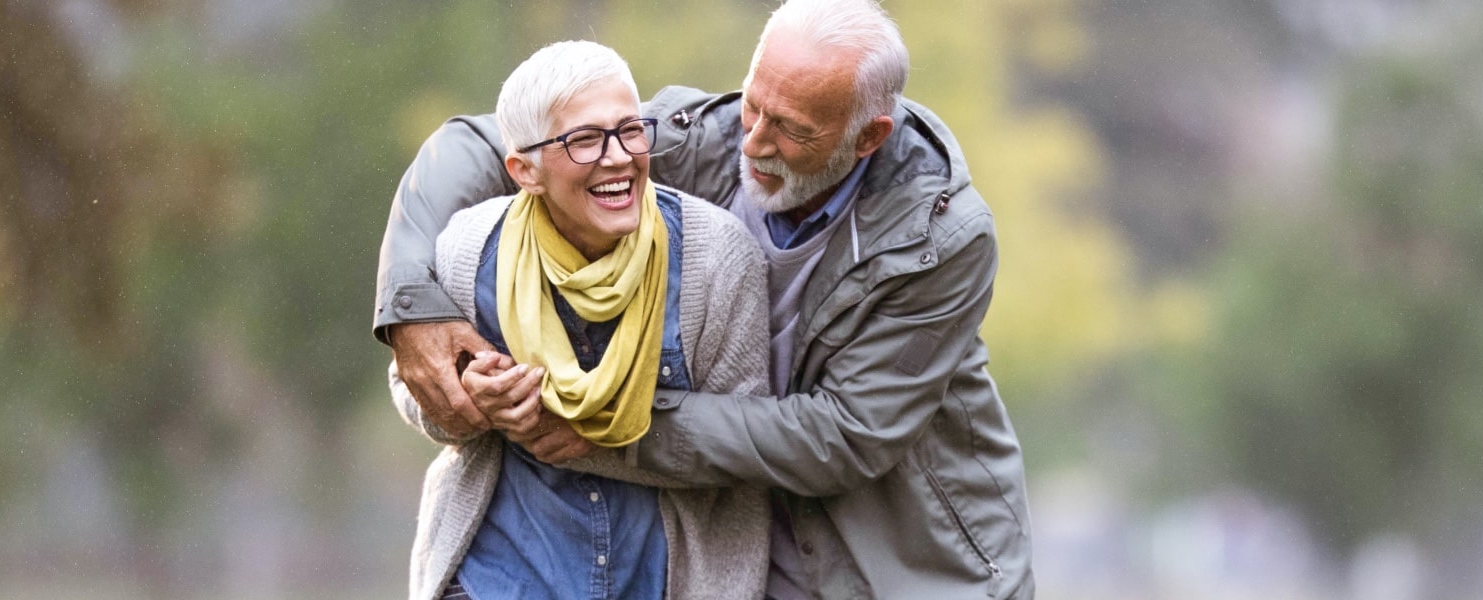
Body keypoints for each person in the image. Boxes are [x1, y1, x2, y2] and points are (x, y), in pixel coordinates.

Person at [376, 1, 1034, 597]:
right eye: (753, 105)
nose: (753, 143)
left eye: (792, 131)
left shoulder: (941, 239)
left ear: (868, 138)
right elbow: (486, 142)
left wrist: (603, 423)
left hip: (902, 560)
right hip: (738, 546)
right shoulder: (699, 139)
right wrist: (409, 304)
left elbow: (843, 437)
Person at [385, 40, 772, 600]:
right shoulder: (469, 249)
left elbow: (750, 445)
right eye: (584, 140)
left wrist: (599, 438)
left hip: (661, 582)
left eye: (630, 130)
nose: (617, 157)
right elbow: (412, 390)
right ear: (524, 171)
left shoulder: (718, 258)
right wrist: (469, 401)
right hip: (495, 579)